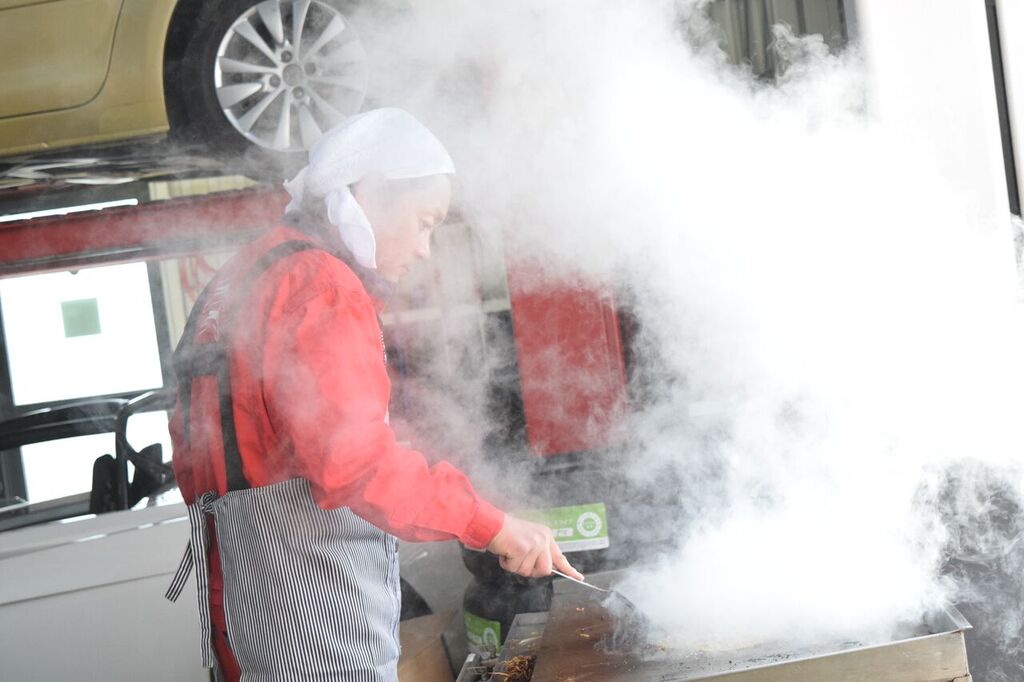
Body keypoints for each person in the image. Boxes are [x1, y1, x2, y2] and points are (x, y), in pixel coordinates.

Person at [165, 108, 582, 682]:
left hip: (243, 619)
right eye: (426, 221)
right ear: (374, 192)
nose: (426, 249)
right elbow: (354, 465)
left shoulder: (245, 275)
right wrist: (492, 525)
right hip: (312, 635)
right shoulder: (320, 284)